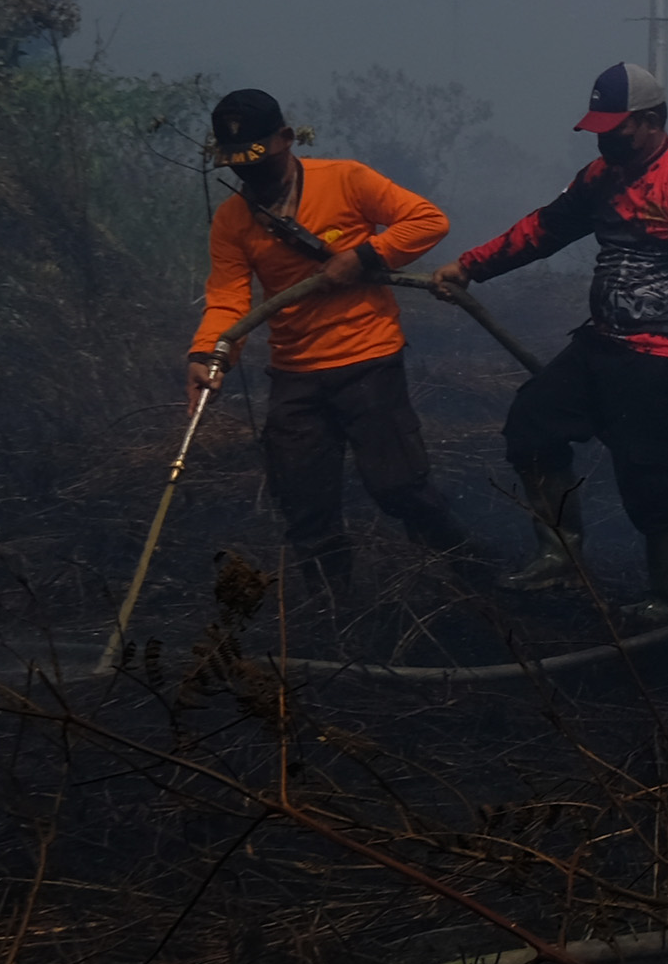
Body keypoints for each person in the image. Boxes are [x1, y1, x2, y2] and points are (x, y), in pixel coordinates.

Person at [433, 60, 668, 608]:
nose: (605, 140)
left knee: (648, 479)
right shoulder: (600, 177)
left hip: (666, 356)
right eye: (598, 130)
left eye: (617, 130)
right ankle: (559, 558)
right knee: (531, 426)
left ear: (652, 121)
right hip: (603, 342)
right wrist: (471, 266)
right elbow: (545, 229)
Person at [188, 88, 463, 606]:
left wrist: (363, 256)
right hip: (294, 374)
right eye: (237, 163)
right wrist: (209, 356)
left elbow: (428, 221)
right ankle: (334, 618)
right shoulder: (232, 219)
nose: (249, 172)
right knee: (305, 509)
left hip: (368, 359)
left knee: (398, 488)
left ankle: (469, 580)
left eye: (257, 158)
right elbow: (228, 299)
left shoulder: (346, 179)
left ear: (286, 139)